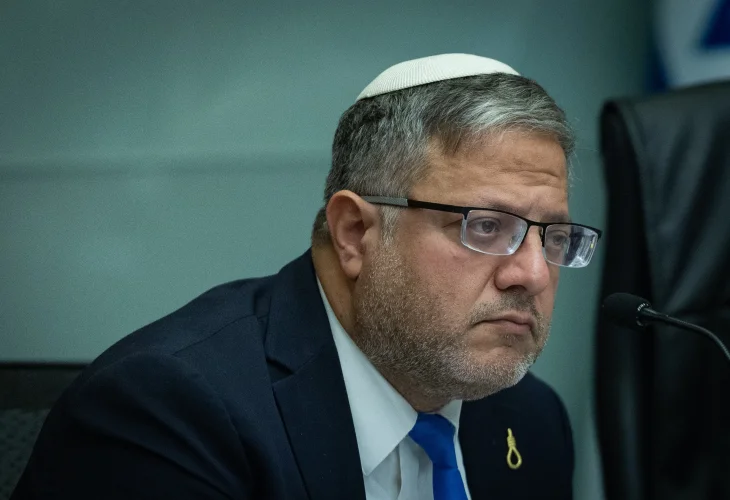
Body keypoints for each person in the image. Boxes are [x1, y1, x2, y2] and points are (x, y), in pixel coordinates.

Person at [12, 53, 602, 500]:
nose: (532, 273)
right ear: (355, 233)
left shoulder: (530, 416)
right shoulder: (170, 412)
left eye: (553, 236)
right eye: (487, 226)